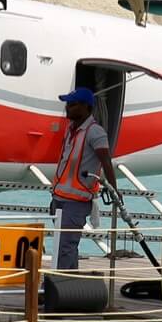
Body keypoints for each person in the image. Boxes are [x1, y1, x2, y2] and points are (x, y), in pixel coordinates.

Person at [49, 86, 113, 272]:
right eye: (68, 104)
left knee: (65, 246)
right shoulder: (70, 130)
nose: (68, 108)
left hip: (76, 202)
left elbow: (106, 162)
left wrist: (113, 189)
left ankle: (55, 284)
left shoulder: (95, 132)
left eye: (73, 104)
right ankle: (70, 283)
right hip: (60, 198)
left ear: (86, 107)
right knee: (67, 246)